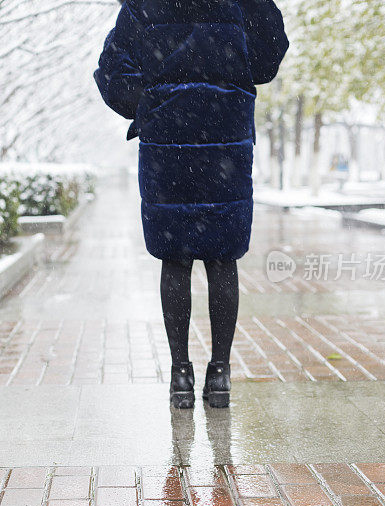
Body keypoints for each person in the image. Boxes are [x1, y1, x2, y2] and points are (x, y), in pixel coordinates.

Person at [94, 0, 289, 408]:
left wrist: (150, 104)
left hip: (168, 143)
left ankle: (180, 374)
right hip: (226, 141)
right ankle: (219, 373)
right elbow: (269, 57)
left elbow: (111, 69)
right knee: (223, 257)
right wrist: (229, 82)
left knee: (175, 257)